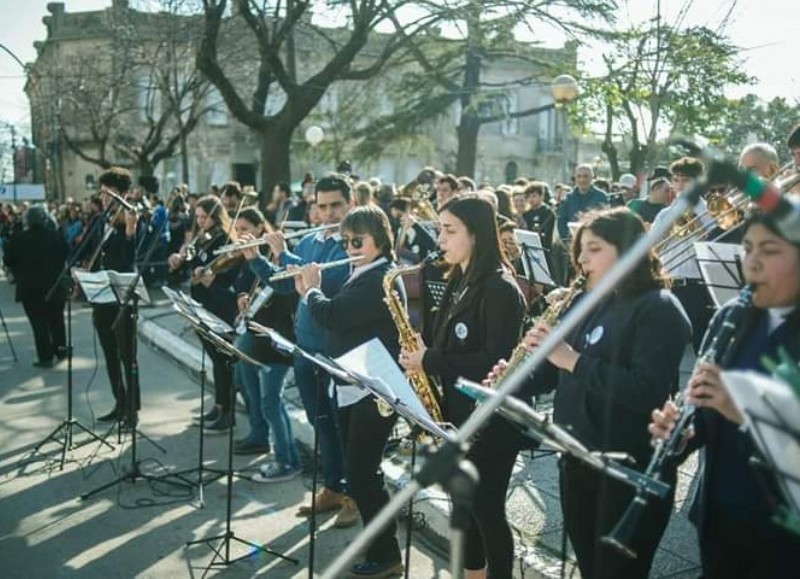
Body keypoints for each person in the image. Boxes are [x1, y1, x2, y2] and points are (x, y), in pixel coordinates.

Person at [515, 207, 691, 578]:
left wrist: (572, 360)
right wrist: (518, 373)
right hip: (578, 460)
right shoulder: (589, 302)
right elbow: (553, 375)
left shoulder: (659, 308)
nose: (580, 260)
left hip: (627, 471)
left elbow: (645, 389)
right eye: (580, 250)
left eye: (593, 249)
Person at [649, 209, 800, 579]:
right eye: (747, 248)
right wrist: (681, 436)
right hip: (722, 514)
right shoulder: (731, 315)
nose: (752, 263)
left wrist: (744, 412)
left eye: (770, 250)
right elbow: (704, 412)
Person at [399, 195, 525, 578]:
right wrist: (421, 353)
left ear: (477, 234)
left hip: (491, 423)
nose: (440, 239)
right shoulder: (456, 279)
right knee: (461, 508)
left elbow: (494, 362)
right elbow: (445, 341)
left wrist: (430, 361)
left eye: (449, 230)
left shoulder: (502, 289)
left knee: (487, 512)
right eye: (440, 229)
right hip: (456, 415)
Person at [293, 205, 405, 578]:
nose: (348, 248)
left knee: (362, 474)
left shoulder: (380, 278)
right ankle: (380, 549)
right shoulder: (362, 271)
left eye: (357, 241)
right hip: (352, 383)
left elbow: (334, 314)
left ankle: (386, 554)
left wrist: (310, 291)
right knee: (361, 473)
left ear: (380, 241)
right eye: (345, 241)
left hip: (375, 389)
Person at [246, 174, 358, 527]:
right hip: (306, 348)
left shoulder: (354, 243)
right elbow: (285, 286)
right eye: (322, 206)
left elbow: (332, 283)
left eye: (335, 205)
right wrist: (255, 259)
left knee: (346, 427)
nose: (328, 213)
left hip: (340, 351)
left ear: (350, 204)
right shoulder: (310, 240)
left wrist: (282, 252)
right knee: (319, 421)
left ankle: (355, 495)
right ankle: (333, 486)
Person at [232, 208, 300, 479]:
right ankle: (259, 437)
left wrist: (269, 259)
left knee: (271, 402)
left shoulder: (286, 258)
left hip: (277, 341)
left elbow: (285, 292)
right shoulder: (250, 257)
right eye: (236, 230)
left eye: (245, 228)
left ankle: (287, 460)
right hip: (255, 333)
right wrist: (242, 298)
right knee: (247, 386)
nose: (240, 235)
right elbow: (246, 285)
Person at [168, 195, 238, 432]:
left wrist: (209, 276)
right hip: (200, 303)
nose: (199, 222)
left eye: (203, 217)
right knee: (214, 360)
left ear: (215, 216)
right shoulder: (201, 239)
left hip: (217, 305)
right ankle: (219, 405)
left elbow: (227, 275)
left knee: (222, 360)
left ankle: (228, 412)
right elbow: (191, 264)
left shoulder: (225, 239)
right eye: (196, 217)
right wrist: (181, 257)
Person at [84, 168, 140, 426]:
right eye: (103, 193)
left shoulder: (132, 218)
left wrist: (130, 231)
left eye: (110, 194)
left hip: (123, 298)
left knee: (127, 355)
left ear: (124, 194)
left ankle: (132, 409)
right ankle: (120, 402)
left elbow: (131, 259)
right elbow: (92, 251)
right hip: (102, 296)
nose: (105, 199)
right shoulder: (101, 221)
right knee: (108, 352)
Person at [652, 156, 714, 352]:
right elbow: (652, 248)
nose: (679, 184)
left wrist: (698, 223)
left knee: (700, 346)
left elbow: (715, 244)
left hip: (697, 287)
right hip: (669, 284)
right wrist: (668, 226)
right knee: (666, 347)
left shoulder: (710, 211)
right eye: (676, 179)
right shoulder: (664, 213)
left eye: (685, 179)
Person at [3, 205, 68, 368]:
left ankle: (45, 357)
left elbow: (8, 260)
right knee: (57, 320)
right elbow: (66, 254)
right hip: (55, 286)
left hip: (30, 289)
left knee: (38, 323)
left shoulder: (18, 238)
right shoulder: (55, 236)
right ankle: (61, 350)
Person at [556, 164, 609, 243]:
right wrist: (567, 240)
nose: (582, 179)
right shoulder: (567, 198)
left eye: (585, 176)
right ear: (575, 178)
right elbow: (561, 222)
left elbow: (605, 223)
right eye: (579, 176)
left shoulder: (601, 197)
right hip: (571, 243)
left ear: (592, 178)